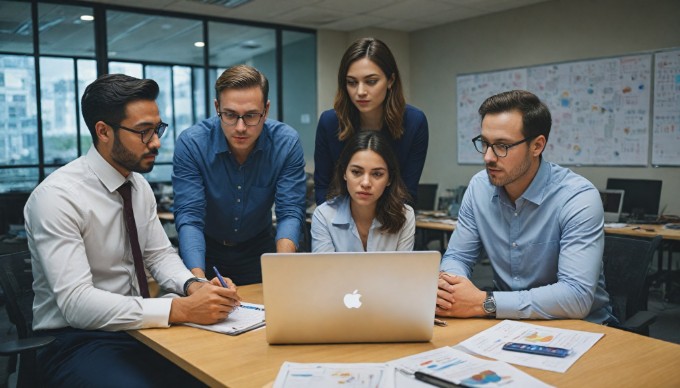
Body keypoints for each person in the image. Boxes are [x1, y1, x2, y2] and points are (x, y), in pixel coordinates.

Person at [24, 74, 240, 387]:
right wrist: (181, 308)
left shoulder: (137, 186)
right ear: (103, 132)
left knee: (222, 372)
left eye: (158, 128)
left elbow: (159, 255)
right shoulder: (57, 198)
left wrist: (194, 286)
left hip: (141, 331)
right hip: (75, 341)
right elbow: (77, 305)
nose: (156, 142)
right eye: (143, 132)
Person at [437, 90, 615, 324]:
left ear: (537, 146)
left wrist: (483, 302)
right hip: (505, 321)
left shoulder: (578, 198)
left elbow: (576, 296)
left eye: (502, 146)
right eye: (485, 143)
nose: (488, 157)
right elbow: (458, 256)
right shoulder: (479, 187)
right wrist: (452, 291)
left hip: (579, 327)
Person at [173, 64, 306, 285]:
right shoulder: (192, 143)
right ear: (217, 107)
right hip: (205, 249)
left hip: (258, 248)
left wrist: (283, 267)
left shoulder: (286, 143)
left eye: (252, 115)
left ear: (267, 109)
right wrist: (197, 282)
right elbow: (190, 216)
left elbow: (290, 210)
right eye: (230, 115)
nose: (241, 127)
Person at [314, 37, 429, 206]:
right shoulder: (329, 122)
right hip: (338, 221)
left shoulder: (414, 122)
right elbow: (323, 190)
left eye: (371, 81)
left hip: (392, 222)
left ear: (391, 80)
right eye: (352, 82)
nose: (360, 91)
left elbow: (406, 193)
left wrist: (378, 229)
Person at [311, 131, 415, 252]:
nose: (365, 183)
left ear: (389, 179)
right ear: (344, 173)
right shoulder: (324, 215)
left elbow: (403, 270)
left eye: (377, 174)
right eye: (356, 172)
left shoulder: (405, 215)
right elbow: (325, 270)